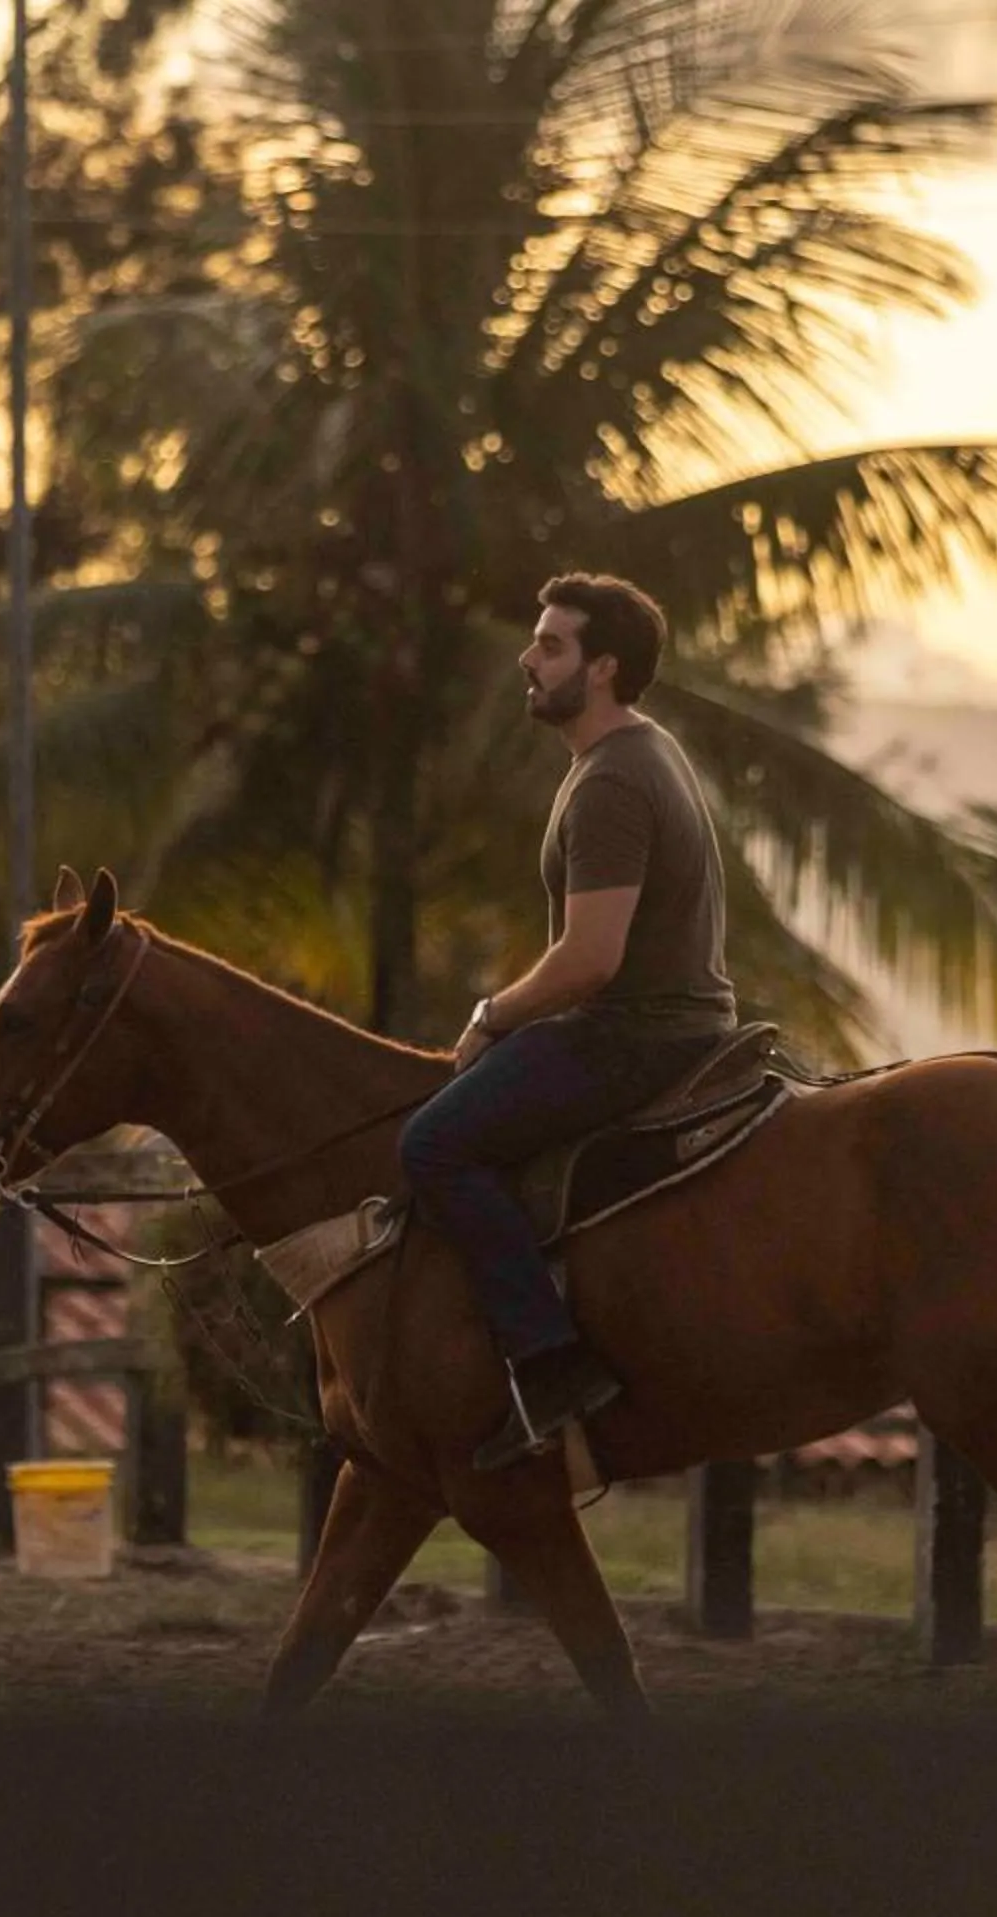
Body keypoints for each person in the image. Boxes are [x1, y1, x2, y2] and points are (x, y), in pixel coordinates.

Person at [399, 573, 740, 1472]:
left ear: (602, 670)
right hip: (658, 1021)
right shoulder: (634, 754)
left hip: (637, 1033)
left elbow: (591, 958)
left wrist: (492, 1015)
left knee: (432, 1145)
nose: (529, 655)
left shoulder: (613, 785)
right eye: (536, 638)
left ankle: (550, 1367)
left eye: (551, 645)